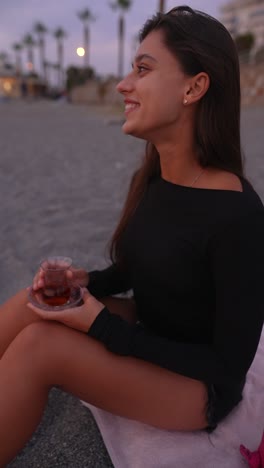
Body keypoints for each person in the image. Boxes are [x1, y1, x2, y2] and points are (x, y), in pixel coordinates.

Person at [0, 5, 263, 465]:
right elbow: (141, 264)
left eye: (143, 69)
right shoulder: (155, 178)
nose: (124, 85)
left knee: (43, 347)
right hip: (151, 330)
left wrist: (100, 326)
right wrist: (89, 283)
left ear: (194, 87)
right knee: (34, 302)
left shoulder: (238, 214)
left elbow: (225, 365)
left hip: (197, 387)